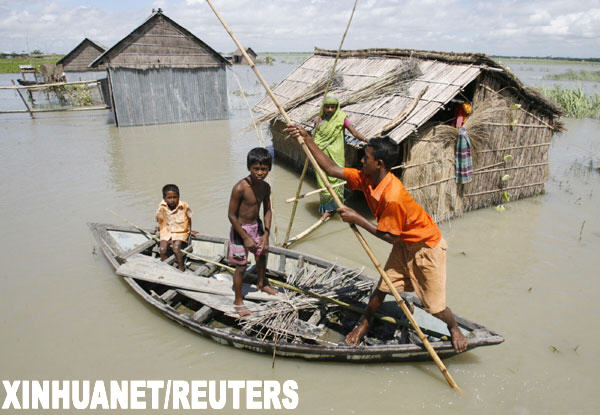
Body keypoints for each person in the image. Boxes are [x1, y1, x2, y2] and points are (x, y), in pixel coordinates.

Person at [284, 125, 468, 353]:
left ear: (379, 164)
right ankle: (364, 324)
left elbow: (390, 236)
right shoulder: (366, 178)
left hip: (426, 247)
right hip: (404, 243)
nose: (361, 161)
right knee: (382, 287)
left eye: (366, 158)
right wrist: (307, 138)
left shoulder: (393, 196)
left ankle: (454, 327)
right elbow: (331, 169)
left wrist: (358, 218)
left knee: (434, 307)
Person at [228, 147, 278, 316]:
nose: (260, 173)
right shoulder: (240, 188)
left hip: (256, 226)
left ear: (269, 169)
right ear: (249, 167)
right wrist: (245, 238)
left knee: (262, 255)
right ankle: (238, 300)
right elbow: (231, 215)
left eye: (264, 169)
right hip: (239, 230)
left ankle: (262, 283)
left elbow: (268, 210)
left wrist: (266, 234)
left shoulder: (265, 187)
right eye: (256, 168)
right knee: (241, 266)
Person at [313, 94, 366, 220]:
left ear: (337, 107)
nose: (330, 109)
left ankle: (337, 206)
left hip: (336, 154)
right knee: (323, 180)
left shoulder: (342, 118)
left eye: (333, 107)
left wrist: (367, 140)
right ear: (323, 107)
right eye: (327, 107)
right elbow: (315, 137)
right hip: (320, 153)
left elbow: (354, 133)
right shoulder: (318, 120)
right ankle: (327, 209)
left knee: (337, 179)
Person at [155, 184, 196, 271]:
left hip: (180, 231)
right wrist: (158, 227)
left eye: (175, 197)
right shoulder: (161, 206)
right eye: (169, 198)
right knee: (162, 249)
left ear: (179, 197)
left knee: (176, 248)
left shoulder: (184, 206)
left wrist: (189, 231)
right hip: (166, 231)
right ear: (164, 198)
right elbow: (159, 219)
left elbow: (189, 218)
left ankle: (181, 268)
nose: (172, 200)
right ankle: (166, 268)